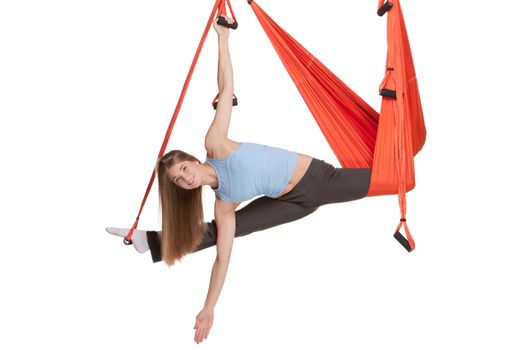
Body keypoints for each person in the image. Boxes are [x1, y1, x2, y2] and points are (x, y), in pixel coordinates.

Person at [106, 16, 371, 344]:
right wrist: (209, 308)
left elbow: (226, 88)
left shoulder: (215, 144)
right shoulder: (224, 202)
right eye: (177, 180)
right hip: (296, 203)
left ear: (192, 160)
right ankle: (152, 240)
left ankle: (154, 242)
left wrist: (222, 39)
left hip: (317, 179)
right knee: (224, 234)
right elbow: (223, 259)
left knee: (387, 179)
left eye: (184, 170)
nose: (185, 179)